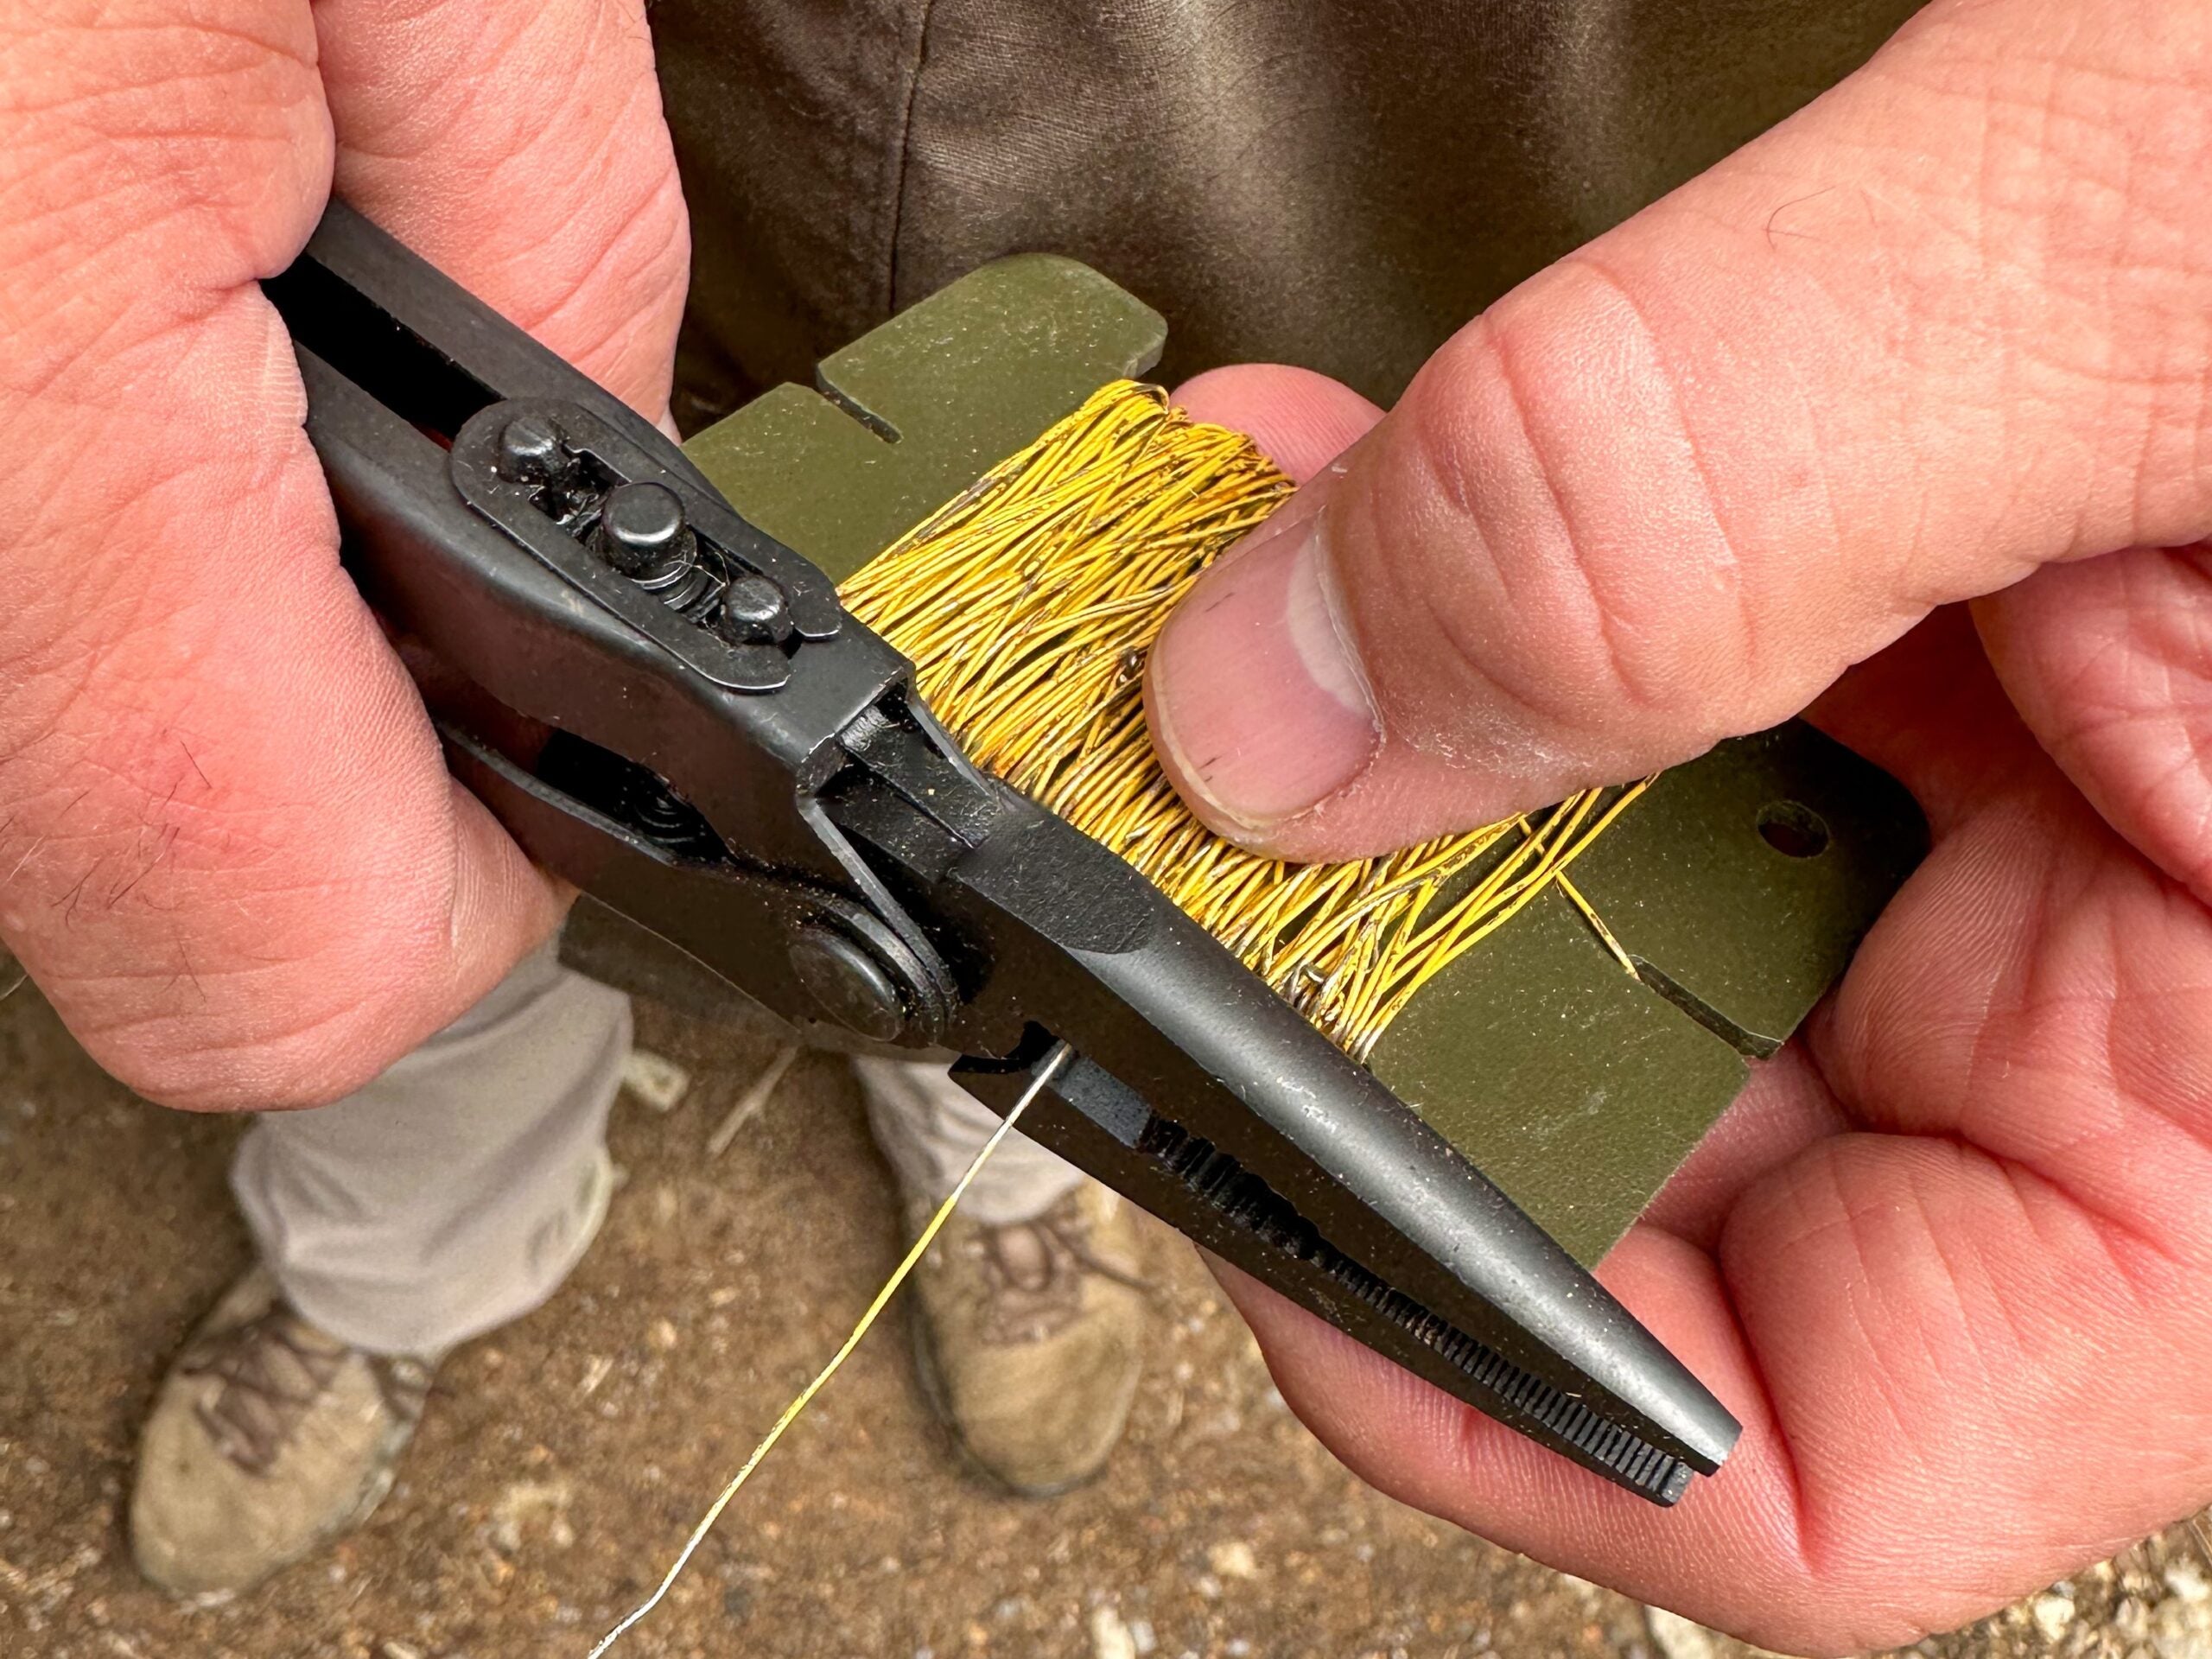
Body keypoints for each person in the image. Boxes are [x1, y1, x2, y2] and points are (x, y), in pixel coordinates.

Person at [3, 0, 2205, 1651]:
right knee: (376, 853)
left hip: (1415, 165)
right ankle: (388, 1274)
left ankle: (993, 1185)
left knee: (1044, 1014)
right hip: (577, 133)